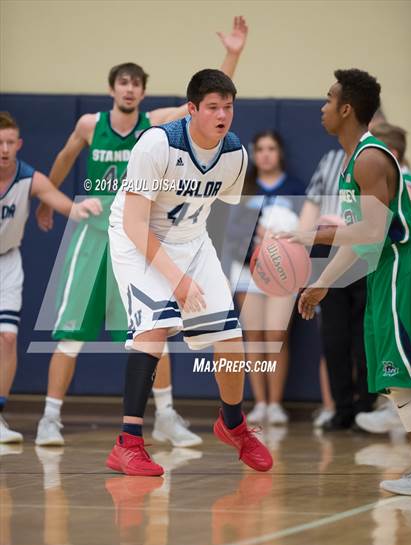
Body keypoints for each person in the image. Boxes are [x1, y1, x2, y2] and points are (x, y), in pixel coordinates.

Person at [34, 17, 248, 447]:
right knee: (71, 333)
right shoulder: (90, 125)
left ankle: (166, 415)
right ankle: (49, 418)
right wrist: (49, 198)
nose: (129, 89)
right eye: (123, 83)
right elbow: (62, 157)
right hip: (98, 232)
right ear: (112, 88)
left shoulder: (156, 122)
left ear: (143, 92)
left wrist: (232, 55)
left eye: (136, 84)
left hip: (144, 234)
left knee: (155, 330)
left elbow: (208, 106)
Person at [106, 68, 273, 476]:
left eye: (228, 107)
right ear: (192, 109)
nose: (222, 115)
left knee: (231, 339)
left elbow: (219, 212)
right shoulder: (157, 143)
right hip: (137, 238)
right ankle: (127, 443)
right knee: (153, 331)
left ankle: (232, 424)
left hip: (193, 240)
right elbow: (133, 223)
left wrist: (261, 243)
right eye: (212, 107)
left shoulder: (234, 154)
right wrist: (176, 279)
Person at [288, 69, 411, 495]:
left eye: (328, 100)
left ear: (347, 109)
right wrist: (323, 281)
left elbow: (370, 232)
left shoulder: (369, 159)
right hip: (386, 270)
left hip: (404, 268)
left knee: (405, 373)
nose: (322, 108)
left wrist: (310, 236)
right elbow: (360, 237)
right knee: (398, 378)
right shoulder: (354, 160)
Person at [0, 112, 101, 443]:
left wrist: (87, 208)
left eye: (9, 143)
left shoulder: (29, 178)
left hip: (8, 262)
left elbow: (66, 205)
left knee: (8, 339)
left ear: (19, 145)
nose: (3, 149)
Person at [226, 130, 305, 424]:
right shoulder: (243, 189)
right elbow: (228, 233)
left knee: (275, 336)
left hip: (283, 272)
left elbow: (308, 232)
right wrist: (250, 239)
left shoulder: (295, 189)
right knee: (255, 337)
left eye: (272, 148)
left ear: (280, 152)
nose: (266, 154)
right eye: (260, 149)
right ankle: (260, 403)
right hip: (247, 271)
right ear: (254, 154)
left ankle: (275, 403)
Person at [355, 121, 411, 435]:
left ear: (389, 154)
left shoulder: (403, 180)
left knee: (402, 359)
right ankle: (397, 412)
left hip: (403, 271)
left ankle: (399, 415)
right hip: (390, 270)